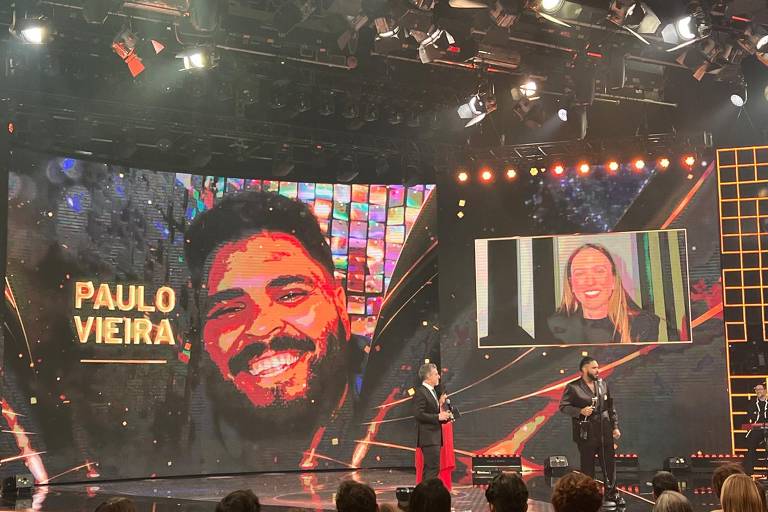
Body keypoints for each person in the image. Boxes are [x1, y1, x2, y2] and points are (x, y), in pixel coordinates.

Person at [185, 190, 369, 467]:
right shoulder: (171, 431)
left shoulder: (395, 398)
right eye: (230, 309)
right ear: (202, 334)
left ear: (340, 307)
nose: (261, 327)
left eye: (291, 295)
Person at [547, 243, 661, 344]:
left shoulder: (642, 325)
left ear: (613, 280)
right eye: (580, 273)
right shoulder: (554, 329)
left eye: (599, 271)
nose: (590, 282)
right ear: (571, 284)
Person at [558, 357, 622, 505]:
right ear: (584, 369)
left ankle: (612, 494)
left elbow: (610, 407)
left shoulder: (602, 384)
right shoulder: (573, 387)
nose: (597, 370)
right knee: (588, 466)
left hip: (604, 429)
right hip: (586, 431)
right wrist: (580, 411)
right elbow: (563, 407)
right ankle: (588, 495)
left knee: (609, 464)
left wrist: (615, 426)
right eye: (594, 368)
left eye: (597, 367)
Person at [413, 363, 451, 481]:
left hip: (433, 436)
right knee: (432, 468)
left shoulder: (432, 391)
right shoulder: (421, 392)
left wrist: (443, 415)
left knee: (431, 468)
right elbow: (419, 414)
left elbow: (431, 411)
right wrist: (438, 417)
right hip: (429, 437)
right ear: (428, 376)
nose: (438, 376)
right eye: (435, 374)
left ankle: (424, 495)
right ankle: (428, 496)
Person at [744, 383, 768, 475]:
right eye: (756, 389)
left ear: (765, 391)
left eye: (760, 389)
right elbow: (749, 416)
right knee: (750, 445)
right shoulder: (752, 403)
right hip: (756, 428)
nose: (758, 391)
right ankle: (749, 473)